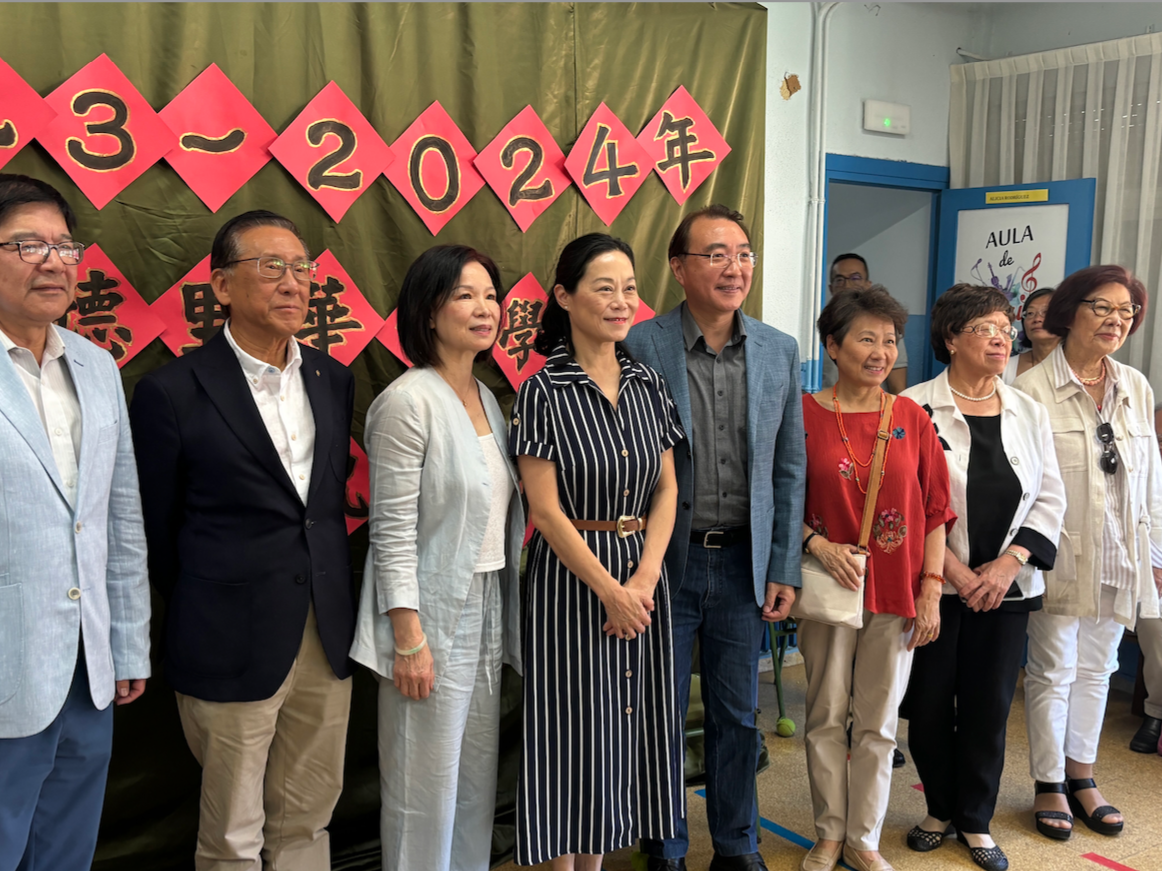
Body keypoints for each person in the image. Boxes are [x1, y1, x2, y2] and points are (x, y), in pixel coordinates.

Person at [130, 210, 357, 870]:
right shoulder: (171, 390)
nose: (293, 283)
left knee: (308, 814)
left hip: (324, 630)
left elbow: (319, 512)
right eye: (271, 267)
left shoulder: (333, 379)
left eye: (302, 269)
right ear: (222, 284)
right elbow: (158, 529)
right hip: (227, 635)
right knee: (233, 832)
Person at [626, 205, 806, 871]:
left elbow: (789, 467)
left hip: (742, 563)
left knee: (738, 712)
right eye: (717, 254)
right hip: (663, 562)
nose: (735, 268)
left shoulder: (778, 349)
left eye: (744, 254)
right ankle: (665, 845)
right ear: (679, 267)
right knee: (658, 714)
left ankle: (737, 844)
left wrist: (783, 564)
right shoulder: (639, 345)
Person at [511, 233, 684, 869]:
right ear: (564, 297)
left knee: (627, 726)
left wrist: (643, 578)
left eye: (630, 289)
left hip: (644, 576)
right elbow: (544, 511)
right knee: (573, 732)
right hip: (571, 582)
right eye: (604, 288)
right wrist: (610, 590)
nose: (621, 302)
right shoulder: (543, 391)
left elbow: (667, 488)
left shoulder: (648, 384)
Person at [349, 245, 524, 871]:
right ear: (427, 311)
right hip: (427, 612)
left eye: (491, 296)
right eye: (464, 296)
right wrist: (408, 638)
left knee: (474, 777)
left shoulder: (486, 397)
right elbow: (391, 531)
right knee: (422, 786)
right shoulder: (408, 401)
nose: (485, 309)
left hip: (486, 599)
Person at [0, 174, 151, 871]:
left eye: (65, 246)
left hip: (89, 668)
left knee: (66, 850)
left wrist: (127, 642)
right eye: (27, 245)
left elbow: (118, 519)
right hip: (10, 663)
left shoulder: (96, 366)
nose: (54, 262)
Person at [900, 285, 1065, 871]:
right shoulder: (913, 407)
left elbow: (1050, 497)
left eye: (1005, 327)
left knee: (988, 707)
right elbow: (907, 503)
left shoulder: (1029, 410)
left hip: (1007, 590)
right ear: (951, 338)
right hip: (934, 586)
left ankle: (974, 820)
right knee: (927, 704)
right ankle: (936, 810)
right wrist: (955, 572)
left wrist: (1008, 563)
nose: (1002, 338)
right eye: (985, 328)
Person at [798, 286, 954, 871]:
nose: (881, 352)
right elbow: (779, 502)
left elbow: (936, 510)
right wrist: (816, 544)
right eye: (866, 339)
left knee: (879, 723)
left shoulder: (912, 417)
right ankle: (828, 833)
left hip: (897, 590)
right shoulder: (803, 415)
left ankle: (863, 839)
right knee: (824, 715)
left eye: (890, 340)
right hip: (828, 584)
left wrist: (931, 588)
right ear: (833, 346)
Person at [1015, 264, 1162, 839]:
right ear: (1069, 312)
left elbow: (1151, 480)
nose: (1115, 320)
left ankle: (1082, 773)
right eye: (1102, 307)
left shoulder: (1135, 385)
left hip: (1122, 553)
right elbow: (1024, 487)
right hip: (1059, 554)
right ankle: (1049, 781)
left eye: (1127, 311)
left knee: (1098, 668)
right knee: (1053, 669)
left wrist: (1155, 553)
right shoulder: (1030, 389)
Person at [823, 254, 908, 394]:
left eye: (855, 278)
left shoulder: (888, 325)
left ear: (868, 284)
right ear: (831, 288)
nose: (847, 285)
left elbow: (898, 388)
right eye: (840, 279)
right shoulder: (821, 328)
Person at [1129, 401, 1162, 754]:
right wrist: (1149, 569)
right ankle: (1156, 713)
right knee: (1156, 626)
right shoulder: (1136, 476)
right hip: (1146, 579)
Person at [1001, 286, 1058, 384]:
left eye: (1046, 312)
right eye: (1030, 313)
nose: (1037, 319)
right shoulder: (1005, 367)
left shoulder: (1078, 368)